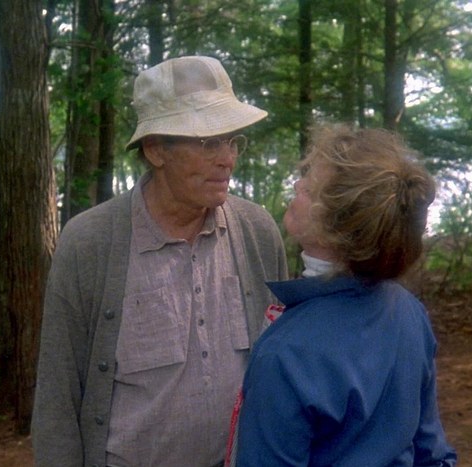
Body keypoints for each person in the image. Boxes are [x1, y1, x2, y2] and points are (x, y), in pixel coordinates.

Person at [32, 55, 289, 467]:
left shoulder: (256, 232)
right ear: (155, 149)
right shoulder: (89, 243)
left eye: (232, 141)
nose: (227, 158)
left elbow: (283, 369)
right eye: (208, 142)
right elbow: (57, 398)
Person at [234, 125, 457, 466]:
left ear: (335, 230)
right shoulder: (409, 311)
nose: (297, 186)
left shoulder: (285, 353)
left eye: (310, 189)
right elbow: (433, 454)